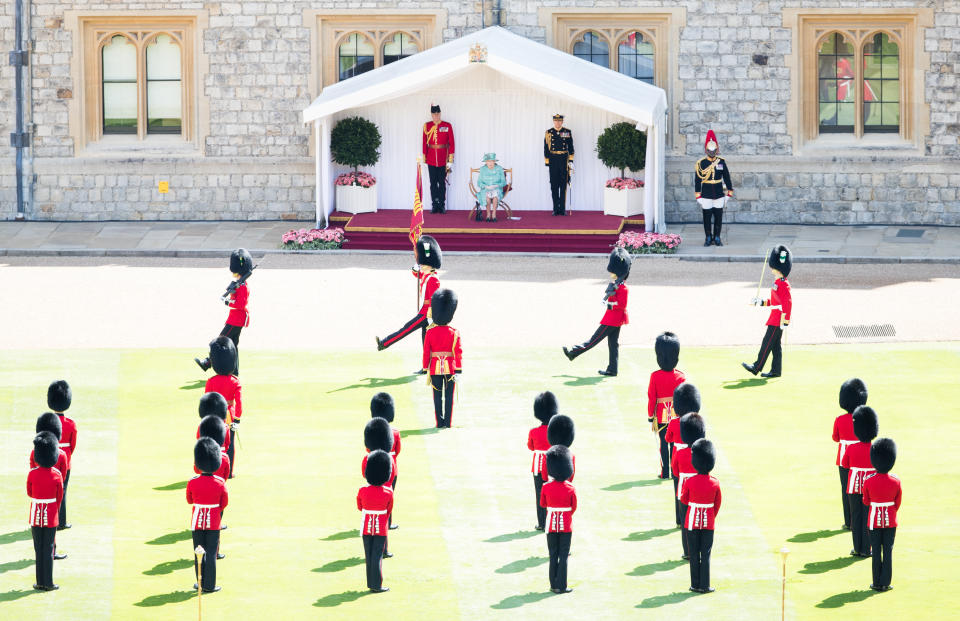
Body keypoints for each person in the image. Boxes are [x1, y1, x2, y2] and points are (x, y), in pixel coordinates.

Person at [563, 247, 631, 377]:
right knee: (613, 344)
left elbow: (621, 305)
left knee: (593, 340)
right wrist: (610, 295)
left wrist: (610, 300)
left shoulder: (623, 288)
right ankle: (612, 369)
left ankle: (573, 352)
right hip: (614, 318)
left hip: (612, 319)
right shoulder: (617, 284)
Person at [376, 235, 442, 363]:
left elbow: (434, 300)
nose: (422, 265)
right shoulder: (426, 274)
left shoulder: (433, 279)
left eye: (423, 264)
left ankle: (384, 343)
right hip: (424, 312)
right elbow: (416, 272)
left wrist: (431, 317)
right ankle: (426, 366)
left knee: (406, 329)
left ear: (429, 265)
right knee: (425, 340)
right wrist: (417, 258)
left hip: (427, 314)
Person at [196, 248, 253, 375]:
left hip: (237, 319)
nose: (234, 275)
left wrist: (226, 301)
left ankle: (208, 363)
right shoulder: (239, 284)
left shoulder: (243, 286)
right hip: (235, 318)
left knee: (221, 341)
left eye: (236, 273)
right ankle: (235, 371)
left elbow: (241, 304)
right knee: (232, 345)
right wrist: (231, 292)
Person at [742, 245, 792, 378]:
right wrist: (760, 302)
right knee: (775, 346)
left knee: (767, 343)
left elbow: (787, 303)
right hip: (775, 316)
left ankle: (757, 366)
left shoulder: (783, 284)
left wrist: (785, 320)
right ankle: (776, 370)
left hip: (778, 319)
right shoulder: (778, 282)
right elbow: (774, 301)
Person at [681, 438, 722, 594]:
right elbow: (717, 504)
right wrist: (710, 516)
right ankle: (704, 585)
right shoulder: (715, 483)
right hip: (708, 523)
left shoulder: (690, 482)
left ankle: (695, 584)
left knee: (693, 554)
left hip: (691, 522)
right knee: (705, 554)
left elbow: (684, 499)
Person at [187, 438, 228, 593]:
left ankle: (200, 582)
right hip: (214, 521)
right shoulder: (219, 482)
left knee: (198, 552)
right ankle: (209, 586)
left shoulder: (193, 481)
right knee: (211, 553)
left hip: (197, 520)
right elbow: (224, 503)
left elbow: (189, 500)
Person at [862, 438, 900, 592]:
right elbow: (897, 503)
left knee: (876, 551)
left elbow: (865, 501)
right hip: (890, 520)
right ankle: (886, 582)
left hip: (874, 521)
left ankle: (876, 582)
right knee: (888, 551)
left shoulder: (868, 481)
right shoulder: (896, 482)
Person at [28, 431, 64, 591]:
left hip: (35, 514)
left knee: (38, 548)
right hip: (50, 514)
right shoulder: (56, 475)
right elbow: (59, 497)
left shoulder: (32, 474)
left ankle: (39, 582)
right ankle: (48, 582)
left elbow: (29, 492)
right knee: (48, 548)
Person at [30, 413, 69, 560]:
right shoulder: (61, 455)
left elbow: (33, 470)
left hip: (40, 493)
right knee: (52, 523)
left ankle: (45, 553)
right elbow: (62, 476)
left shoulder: (35, 452)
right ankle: (50, 553)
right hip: (53, 494)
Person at [841, 405, 878, 557]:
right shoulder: (874, 448)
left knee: (856, 517)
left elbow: (844, 464)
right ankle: (866, 549)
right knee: (867, 517)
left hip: (854, 485)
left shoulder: (851, 448)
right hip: (870, 486)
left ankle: (856, 548)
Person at [422, 288, 462, 428]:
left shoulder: (430, 332)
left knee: (437, 397)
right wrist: (458, 370)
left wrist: (425, 366)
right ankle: (448, 423)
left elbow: (426, 351)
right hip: (450, 368)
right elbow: (458, 352)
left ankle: (439, 423)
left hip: (435, 368)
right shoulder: (454, 332)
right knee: (449, 397)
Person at [648, 332, 685, 479]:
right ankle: (675, 471)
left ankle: (665, 472)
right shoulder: (681, 376)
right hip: (677, 415)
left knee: (663, 444)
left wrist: (651, 416)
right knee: (675, 445)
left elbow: (652, 398)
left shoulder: (655, 376)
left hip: (661, 415)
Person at [833, 378, 868, 530]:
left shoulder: (840, 419)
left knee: (846, 489)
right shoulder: (864, 417)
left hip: (843, 458)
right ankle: (861, 520)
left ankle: (849, 522)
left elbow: (836, 438)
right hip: (862, 457)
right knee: (861, 490)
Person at [541, 445, 577, 594]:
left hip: (550, 524)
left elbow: (543, 504)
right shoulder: (570, 488)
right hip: (566, 525)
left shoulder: (546, 487)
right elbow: (573, 507)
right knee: (564, 555)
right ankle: (561, 585)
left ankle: (553, 584)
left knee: (553, 554)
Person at [204, 337, 242, 477]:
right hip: (229, 415)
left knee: (215, 443)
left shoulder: (211, 381)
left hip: (214, 414)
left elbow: (206, 400)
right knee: (230, 443)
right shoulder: (235, 381)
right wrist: (237, 419)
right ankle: (229, 471)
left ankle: (214, 469)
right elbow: (239, 402)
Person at [358, 449, 394, 593]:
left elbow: (360, 507)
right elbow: (389, 509)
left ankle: (370, 583)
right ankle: (376, 585)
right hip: (381, 528)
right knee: (377, 555)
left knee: (369, 555)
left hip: (366, 526)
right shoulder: (388, 492)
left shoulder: (363, 490)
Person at [666, 383, 701, 527]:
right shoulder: (697, 421)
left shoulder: (674, 422)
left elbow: (668, 439)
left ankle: (680, 519)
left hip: (677, 456)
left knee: (678, 488)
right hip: (692, 456)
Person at [672, 413, 706, 560]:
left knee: (685, 519)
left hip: (684, 486)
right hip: (700, 485)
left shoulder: (680, 452)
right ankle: (699, 549)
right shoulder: (702, 451)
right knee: (699, 519)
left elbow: (675, 471)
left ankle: (688, 551)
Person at [694, 130, 733, 246]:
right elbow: (697, 180)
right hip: (706, 194)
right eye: (709, 150)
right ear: (706, 150)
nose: (711, 152)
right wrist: (698, 195)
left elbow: (726, 177)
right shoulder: (701, 163)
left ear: (717, 150)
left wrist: (729, 193)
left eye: (713, 150)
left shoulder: (721, 162)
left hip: (718, 193)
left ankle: (717, 237)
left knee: (718, 217)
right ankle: (708, 237)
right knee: (706, 217)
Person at [47, 380, 75, 531]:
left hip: (50, 459)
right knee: (63, 491)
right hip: (65, 461)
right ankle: (61, 521)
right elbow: (73, 444)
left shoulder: (47, 421)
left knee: (51, 491)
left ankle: (52, 520)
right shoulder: (70, 423)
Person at [527, 391, 557, 531]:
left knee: (540, 493)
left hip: (538, 464)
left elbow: (530, 447)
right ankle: (552, 521)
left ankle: (542, 523)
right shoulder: (554, 430)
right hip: (553, 462)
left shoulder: (534, 431)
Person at [423, 104, 455, 214]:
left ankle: (441, 204)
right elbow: (424, 143)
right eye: (434, 114)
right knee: (432, 183)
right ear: (431, 115)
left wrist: (450, 160)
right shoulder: (427, 126)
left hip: (443, 159)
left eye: (437, 114)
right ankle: (434, 204)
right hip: (431, 159)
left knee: (441, 182)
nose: (436, 116)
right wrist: (425, 157)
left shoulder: (447, 125)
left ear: (440, 114)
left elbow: (451, 143)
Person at [544, 114, 574, 215]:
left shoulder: (565, 132)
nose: (557, 123)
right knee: (554, 185)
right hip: (553, 159)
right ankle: (555, 208)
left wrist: (571, 161)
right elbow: (546, 148)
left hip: (563, 159)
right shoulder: (549, 132)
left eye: (559, 121)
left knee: (563, 184)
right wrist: (547, 163)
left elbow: (570, 146)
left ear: (562, 122)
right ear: (553, 121)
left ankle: (562, 209)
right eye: (556, 121)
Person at [542, 414, 576, 484]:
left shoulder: (548, 454)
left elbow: (544, 475)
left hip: (550, 487)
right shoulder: (571, 455)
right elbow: (572, 474)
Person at [475, 153, 506, 222]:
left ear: (495, 161)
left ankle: (494, 214)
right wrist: (485, 186)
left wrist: (497, 185)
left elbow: (504, 182)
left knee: (495, 196)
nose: (490, 163)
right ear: (486, 162)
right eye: (488, 161)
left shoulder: (499, 168)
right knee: (487, 197)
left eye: (492, 161)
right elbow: (479, 182)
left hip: (497, 188)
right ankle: (488, 214)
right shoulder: (483, 169)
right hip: (486, 188)